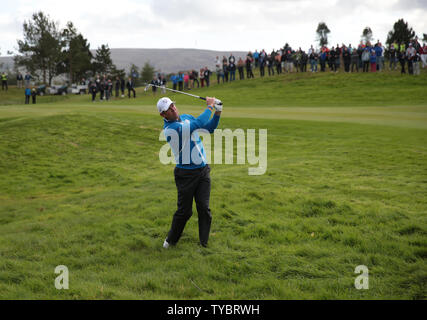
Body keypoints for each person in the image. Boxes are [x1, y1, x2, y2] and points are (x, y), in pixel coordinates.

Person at [158, 96, 222, 248]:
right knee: (185, 212)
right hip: (185, 175)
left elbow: (208, 128)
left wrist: (218, 112)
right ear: (163, 114)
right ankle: (170, 241)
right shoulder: (170, 130)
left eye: (173, 105)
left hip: (203, 171)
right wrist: (210, 106)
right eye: (169, 109)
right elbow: (198, 123)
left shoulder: (186, 117)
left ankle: (204, 243)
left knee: (204, 208)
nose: (173, 108)